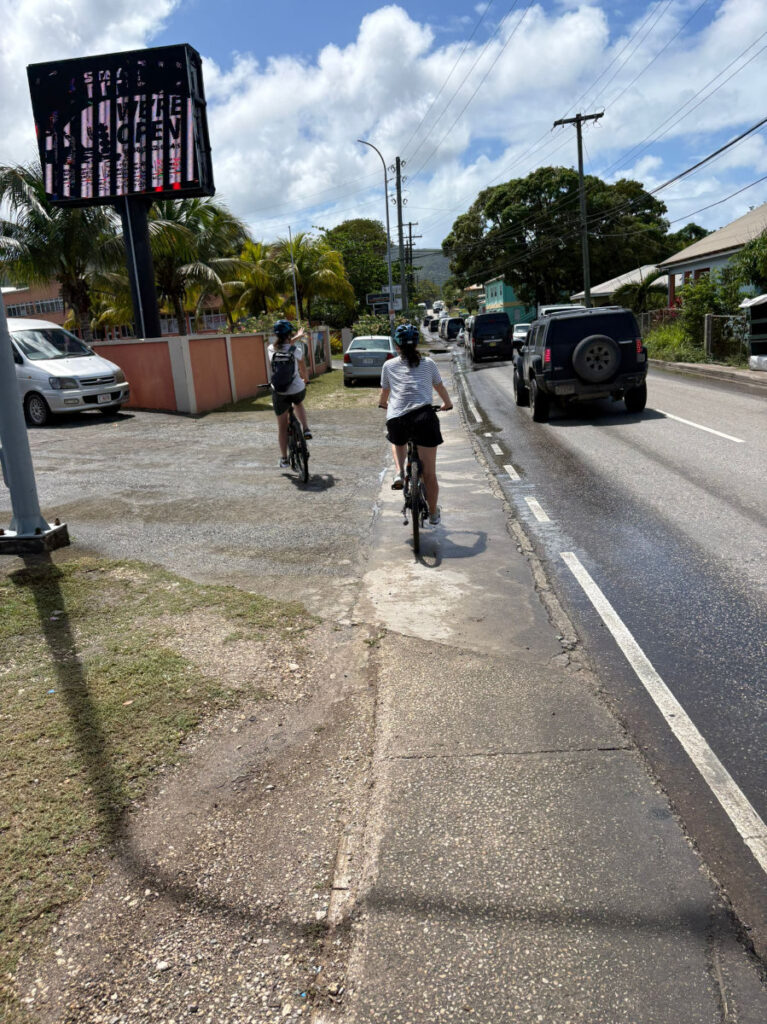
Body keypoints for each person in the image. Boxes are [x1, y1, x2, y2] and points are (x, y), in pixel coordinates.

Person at [378, 322, 453, 525]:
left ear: (397, 346)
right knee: (429, 474)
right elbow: (439, 386)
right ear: (417, 343)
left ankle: (399, 472)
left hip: (398, 419)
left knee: (396, 438)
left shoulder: (388, 365)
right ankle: (434, 513)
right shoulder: (428, 364)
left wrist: (383, 404)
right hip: (424, 418)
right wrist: (447, 403)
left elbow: (384, 395)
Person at [268, 319, 313, 469]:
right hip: (297, 389)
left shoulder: (271, 349)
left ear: (276, 334)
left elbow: (281, 345)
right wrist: (305, 379)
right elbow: (302, 367)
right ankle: (306, 429)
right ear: (289, 334)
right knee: (298, 403)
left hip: (279, 391)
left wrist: (294, 338)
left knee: (282, 428)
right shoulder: (296, 350)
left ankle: (284, 459)